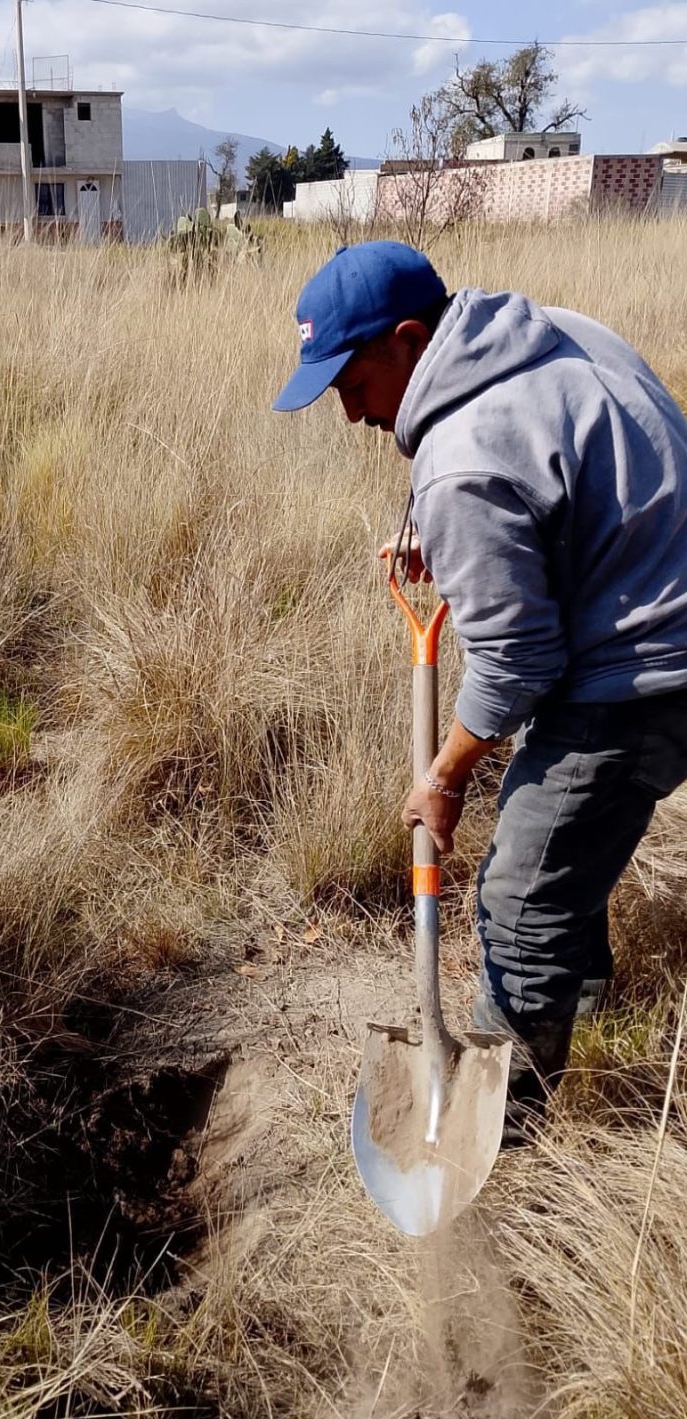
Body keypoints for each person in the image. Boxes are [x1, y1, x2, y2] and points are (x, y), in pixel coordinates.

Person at [273, 240, 687, 1143]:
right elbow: (560, 472)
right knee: (557, 833)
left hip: (646, 674)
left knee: (520, 898)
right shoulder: (547, 334)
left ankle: (506, 1136)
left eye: (352, 383)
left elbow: (516, 666)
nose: (350, 413)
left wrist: (444, 776)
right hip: (659, 620)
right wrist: (466, 531)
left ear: (410, 340)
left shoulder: (462, 461)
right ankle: (585, 1000)